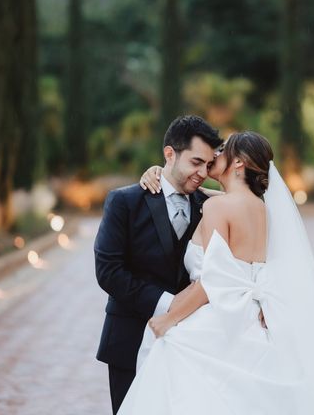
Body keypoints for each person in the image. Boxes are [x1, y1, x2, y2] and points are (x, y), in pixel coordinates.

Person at [119, 131, 314, 414]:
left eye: (223, 150)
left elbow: (214, 279)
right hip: (251, 320)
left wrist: (169, 319)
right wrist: (159, 172)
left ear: (238, 163)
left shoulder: (218, 207)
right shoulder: (263, 210)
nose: (215, 155)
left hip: (217, 319)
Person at [94, 115, 223, 414]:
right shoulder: (124, 201)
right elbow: (108, 272)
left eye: (208, 165)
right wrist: (170, 304)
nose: (203, 172)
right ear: (169, 154)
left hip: (188, 343)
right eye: (195, 162)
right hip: (130, 337)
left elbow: (250, 202)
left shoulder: (209, 205)